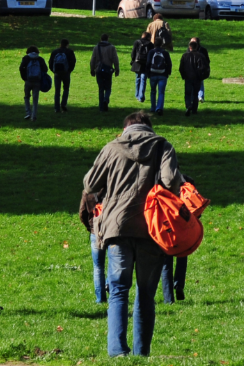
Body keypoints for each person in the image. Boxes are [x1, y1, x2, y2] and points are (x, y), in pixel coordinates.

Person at [82, 111, 182, 357]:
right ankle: (141, 353)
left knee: (117, 290)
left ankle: (117, 351)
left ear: (126, 128)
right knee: (146, 293)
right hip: (151, 228)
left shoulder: (112, 148)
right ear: (149, 127)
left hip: (117, 228)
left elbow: (89, 184)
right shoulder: (163, 146)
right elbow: (170, 182)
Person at [78, 192, 106, 303]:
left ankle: (100, 298)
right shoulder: (111, 185)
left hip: (95, 231)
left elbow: (82, 213)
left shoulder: (88, 191)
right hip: (112, 231)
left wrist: (90, 227)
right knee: (115, 263)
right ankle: (112, 290)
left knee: (98, 266)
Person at [179, 38, 210, 116]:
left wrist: (184, 76)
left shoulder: (185, 56)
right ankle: (194, 109)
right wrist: (202, 76)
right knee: (195, 94)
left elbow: (181, 68)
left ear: (190, 47)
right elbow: (204, 67)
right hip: (197, 78)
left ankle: (188, 105)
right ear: (197, 47)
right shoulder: (200, 56)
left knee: (187, 94)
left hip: (188, 77)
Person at [90, 33, 120, 111]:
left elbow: (93, 59)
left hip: (99, 70)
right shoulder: (112, 47)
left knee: (101, 88)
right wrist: (117, 69)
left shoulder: (96, 47)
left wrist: (92, 69)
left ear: (101, 39)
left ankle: (101, 107)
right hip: (108, 70)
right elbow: (115, 59)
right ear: (107, 39)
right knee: (108, 88)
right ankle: (106, 99)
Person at [19, 45, 47, 121]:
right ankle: (33, 116)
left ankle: (28, 112)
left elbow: (21, 68)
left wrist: (24, 78)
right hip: (37, 81)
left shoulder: (26, 58)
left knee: (27, 96)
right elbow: (45, 69)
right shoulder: (40, 59)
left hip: (28, 80)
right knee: (35, 99)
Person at [145, 37, 172, 115]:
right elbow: (169, 63)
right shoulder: (165, 53)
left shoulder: (151, 52)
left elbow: (148, 63)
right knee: (161, 92)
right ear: (161, 44)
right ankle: (159, 108)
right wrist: (168, 73)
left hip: (153, 74)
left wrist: (148, 73)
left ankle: (153, 107)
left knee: (153, 91)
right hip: (162, 75)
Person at [49, 39, 77, 113]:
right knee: (66, 89)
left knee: (57, 91)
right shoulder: (70, 52)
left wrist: (54, 71)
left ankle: (56, 108)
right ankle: (63, 104)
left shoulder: (55, 52)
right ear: (67, 44)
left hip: (57, 73)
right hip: (66, 72)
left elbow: (50, 63)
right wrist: (69, 70)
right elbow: (73, 62)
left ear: (60, 44)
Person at [130, 32, 151, 103]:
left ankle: (137, 95)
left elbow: (133, 53)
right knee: (143, 79)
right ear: (148, 37)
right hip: (145, 64)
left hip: (137, 62)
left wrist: (133, 61)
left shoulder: (137, 42)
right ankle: (141, 96)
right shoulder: (150, 44)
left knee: (137, 78)